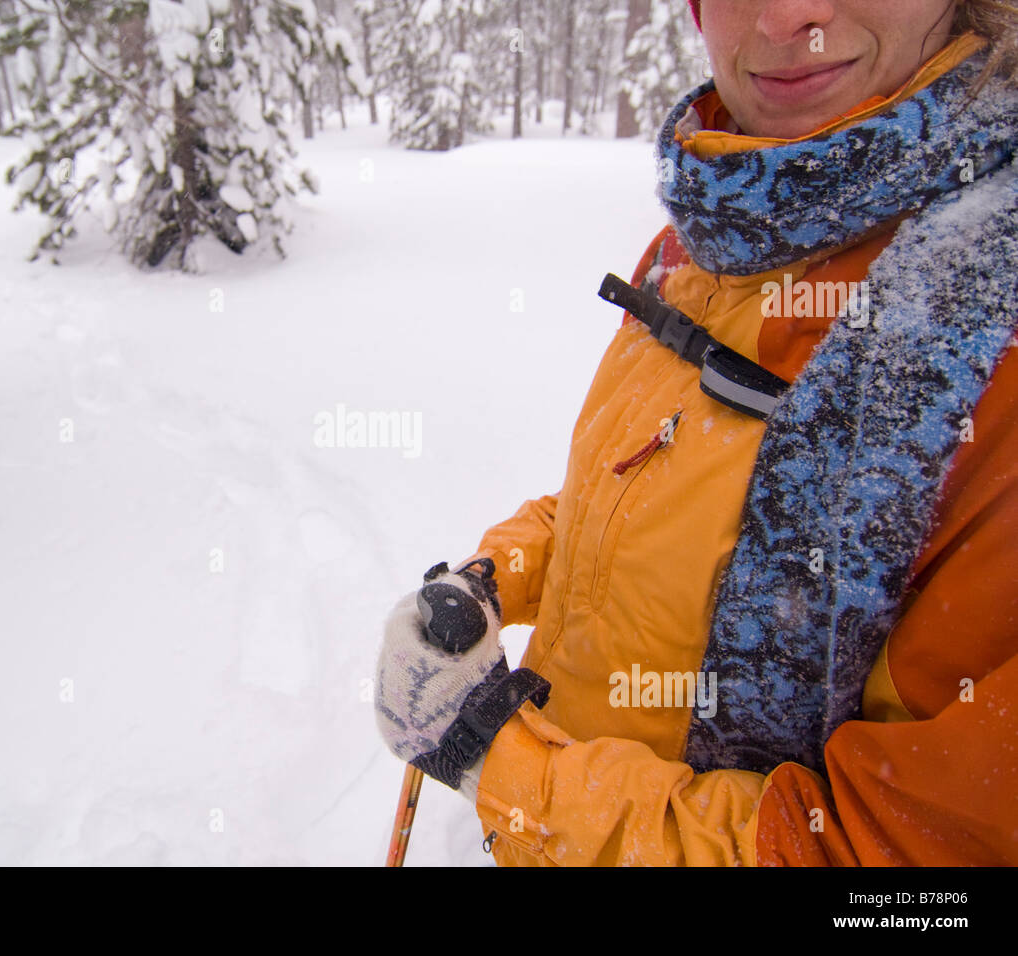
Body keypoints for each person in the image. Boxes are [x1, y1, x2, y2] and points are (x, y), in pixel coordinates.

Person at [375, 0, 1018, 866]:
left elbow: (905, 873)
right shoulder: (704, 241)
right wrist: (499, 574)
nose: (793, 18)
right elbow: (632, 487)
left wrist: (501, 766)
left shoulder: (993, 340)